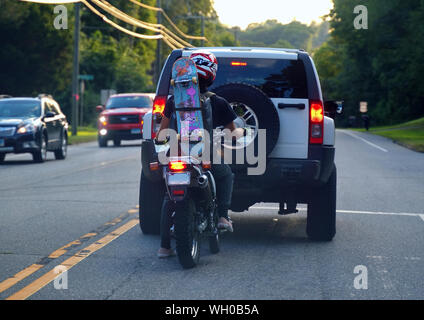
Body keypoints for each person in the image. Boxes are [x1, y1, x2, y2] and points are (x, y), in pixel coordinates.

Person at [156, 50, 244, 258]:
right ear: (211, 74)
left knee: (169, 199)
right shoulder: (218, 102)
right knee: (225, 175)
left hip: (176, 154)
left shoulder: (172, 101)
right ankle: (222, 216)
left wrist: (166, 140)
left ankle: (164, 247)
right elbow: (233, 134)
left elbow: (161, 135)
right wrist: (238, 134)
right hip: (204, 154)